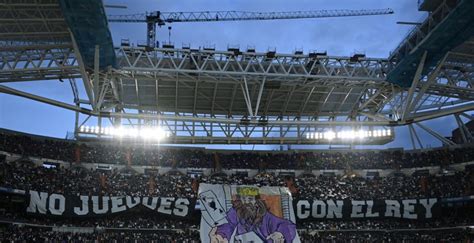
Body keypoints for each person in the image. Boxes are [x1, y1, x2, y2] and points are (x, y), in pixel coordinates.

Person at [210, 187, 296, 243]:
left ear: (257, 201)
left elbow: (287, 225)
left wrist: (280, 233)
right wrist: (221, 235)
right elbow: (228, 225)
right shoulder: (235, 212)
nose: (247, 202)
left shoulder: (265, 216)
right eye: (244, 199)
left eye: (250, 199)